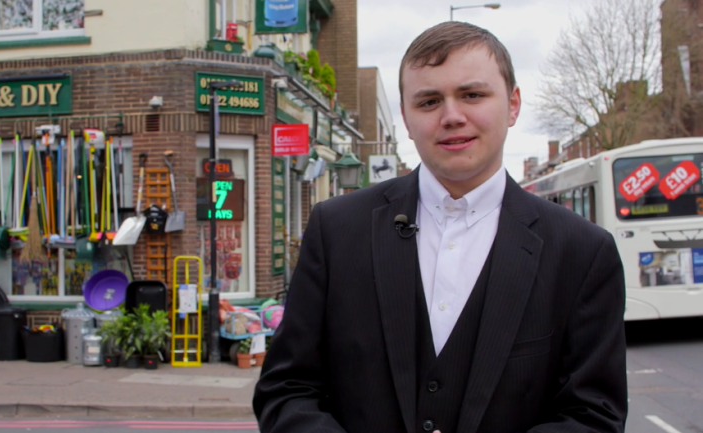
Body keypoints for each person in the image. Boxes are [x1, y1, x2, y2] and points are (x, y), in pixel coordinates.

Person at [254, 21, 627, 433]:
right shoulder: (336, 230)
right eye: (429, 101)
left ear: (513, 104)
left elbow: (593, 415)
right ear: (406, 118)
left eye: (472, 95)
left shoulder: (582, 251)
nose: (452, 116)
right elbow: (286, 390)